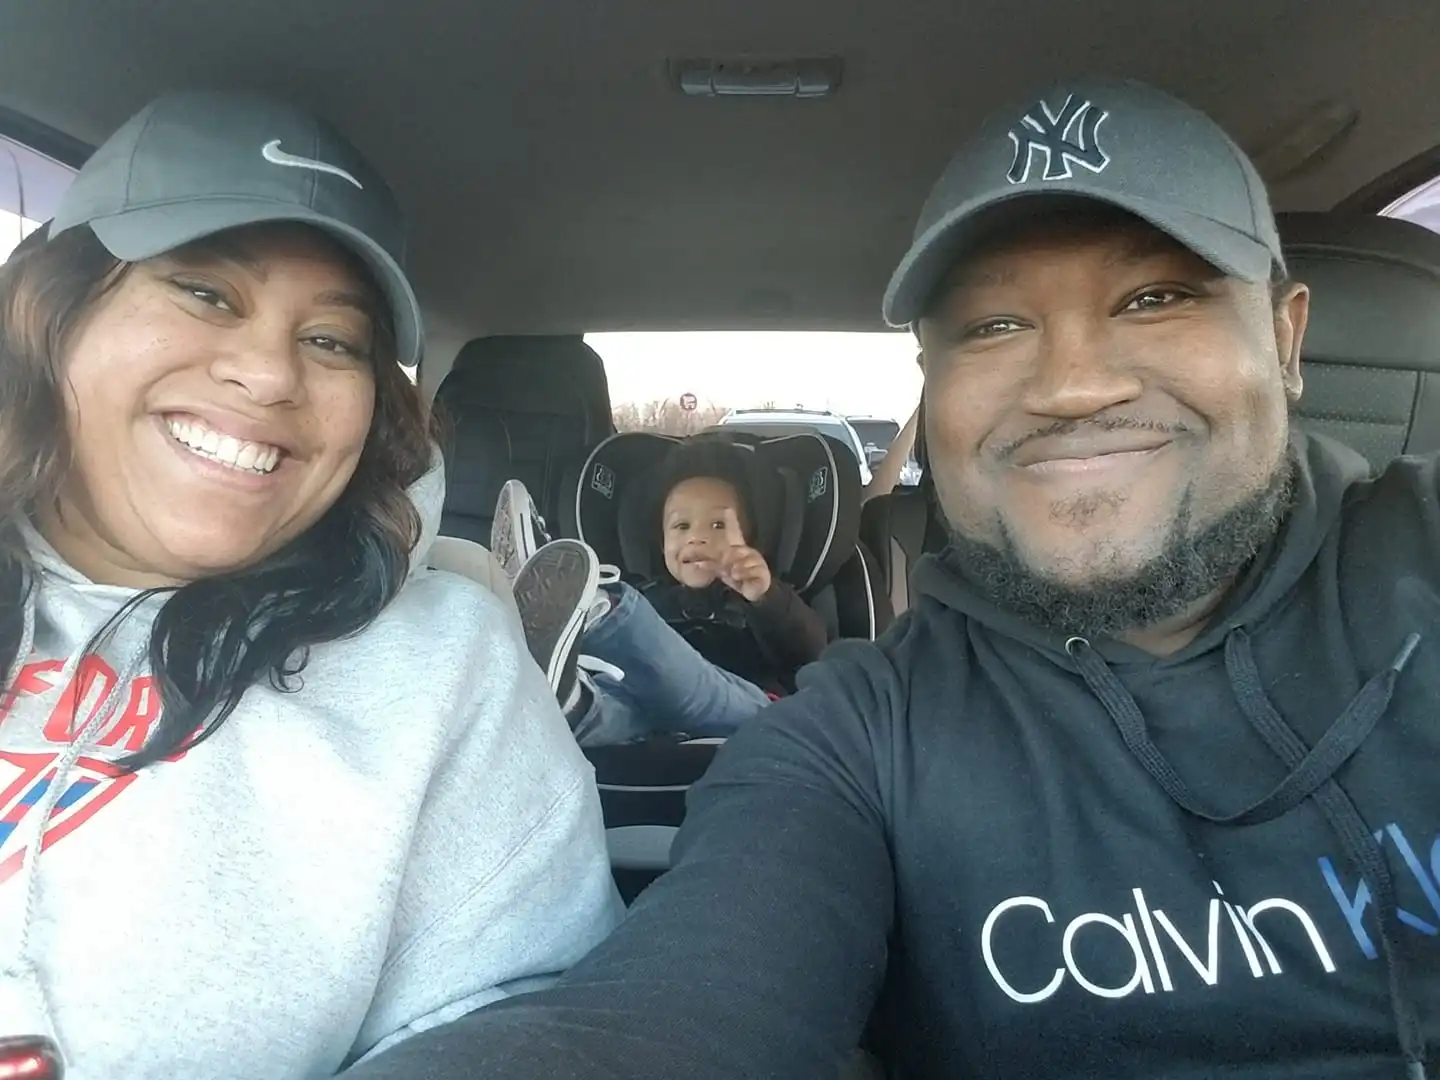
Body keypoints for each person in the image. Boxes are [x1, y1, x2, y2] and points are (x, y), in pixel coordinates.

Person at [344, 75, 1440, 1080]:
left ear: (1287, 340)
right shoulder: (862, 740)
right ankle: (572, 674)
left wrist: (759, 591)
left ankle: (595, 632)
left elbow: (790, 656)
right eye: (995, 324)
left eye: (1155, 298)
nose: (1070, 386)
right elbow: (665, 1014)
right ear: (934, 383)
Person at [0, 90, 621, 1079]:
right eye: (206, 293)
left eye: (332, 340)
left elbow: (516, 1026)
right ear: (53, 313)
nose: (269, 375)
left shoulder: (439, 667)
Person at [493, 438, 831, 746]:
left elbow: (812, 655)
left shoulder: (763, 599)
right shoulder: (652, 598)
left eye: (718, 525)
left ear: (750, 537)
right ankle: (574, 703)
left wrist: (766, 597)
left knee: (669, 676)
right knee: (617, 706)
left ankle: (595, 605)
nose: (696, 537)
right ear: (662, 542)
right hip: (655, 726)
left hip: (752, 718)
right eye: (681, 526)